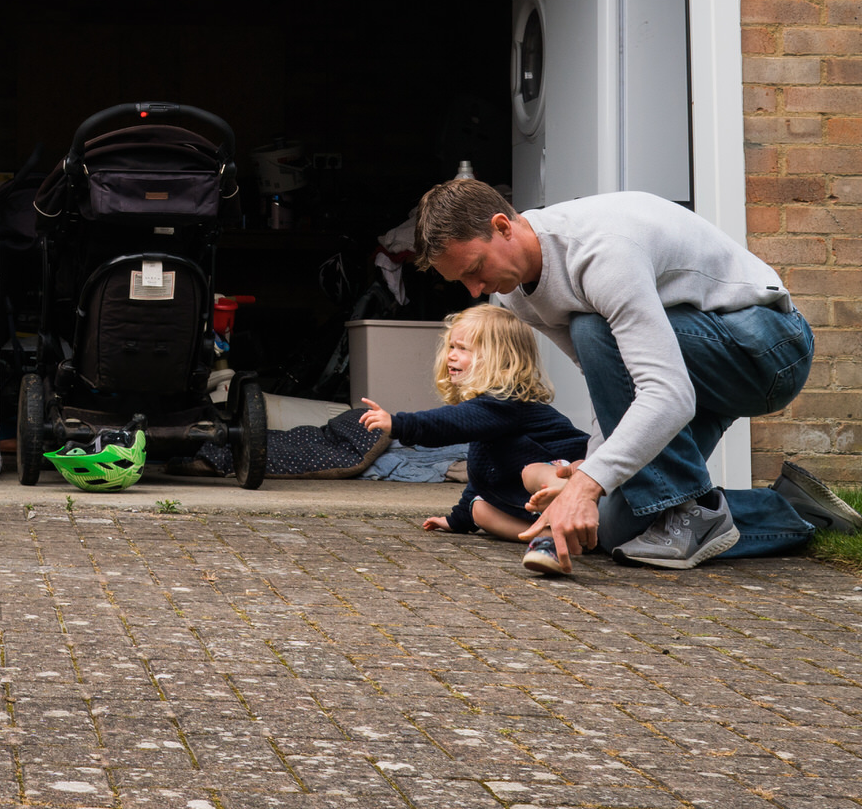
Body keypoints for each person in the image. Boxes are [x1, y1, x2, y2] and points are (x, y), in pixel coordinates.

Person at [412, 178, 862, 570]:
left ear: (502, 227)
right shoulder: (516, 294)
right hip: (691, 371)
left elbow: (666, 395)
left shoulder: (600, 251)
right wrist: (590, 468)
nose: (476, 291)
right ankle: (796, 511)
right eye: (463, 282)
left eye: (475, 270)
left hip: (767, 349)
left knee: (592, 328)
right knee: (614, 527)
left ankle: (700, 512)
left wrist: (587, 485)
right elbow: (608, 382)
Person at [358, 304, 590, 576]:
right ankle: (546, 537)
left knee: (531, 472)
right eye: (450, 347)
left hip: (582, 485)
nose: (450, 356)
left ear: (498, 358)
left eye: (462, 349)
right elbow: (482, 477)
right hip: (536, 508)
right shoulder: (486, 417)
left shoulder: (506, 402)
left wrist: (399, 424)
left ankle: (563, 524)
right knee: (479, 507)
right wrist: (456, 520)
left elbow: (449, 424)